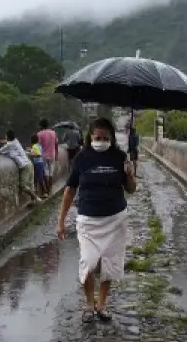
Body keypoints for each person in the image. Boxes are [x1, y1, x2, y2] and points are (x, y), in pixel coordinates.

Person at [56, 117, 137, 323]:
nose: (101, 140)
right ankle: (89, 304)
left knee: (109, 263)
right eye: (97, 137)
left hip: (115, 219)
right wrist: (61, 220)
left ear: (111, 138)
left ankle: (101, 305)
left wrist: (129, 175)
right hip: (88, 220)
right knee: (88, 262)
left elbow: (131, 189)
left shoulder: (120, 157)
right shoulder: (82, 158)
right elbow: (70, 190)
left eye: (105, 137)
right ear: (90, 137)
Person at [0, 129, 41, 205]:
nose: (5, 137)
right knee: (30, 184)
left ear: (8, 137)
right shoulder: (16, 141)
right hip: (29, 163)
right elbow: (7, 142)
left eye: (6, 135)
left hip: (25, 166)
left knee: (23, 185)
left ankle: (36, 198)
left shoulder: (10, 145)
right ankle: (33, 201)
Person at [37, 119, 59, 192]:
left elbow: (39, 146)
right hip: (52, 154)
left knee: (45, 172)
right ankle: (50, 188)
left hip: (44, 156)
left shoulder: (39, 134)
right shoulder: (53, 133)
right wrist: (57, 154)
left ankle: (47, 189)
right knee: (51, 172)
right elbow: (56, 144)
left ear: (41, 126)